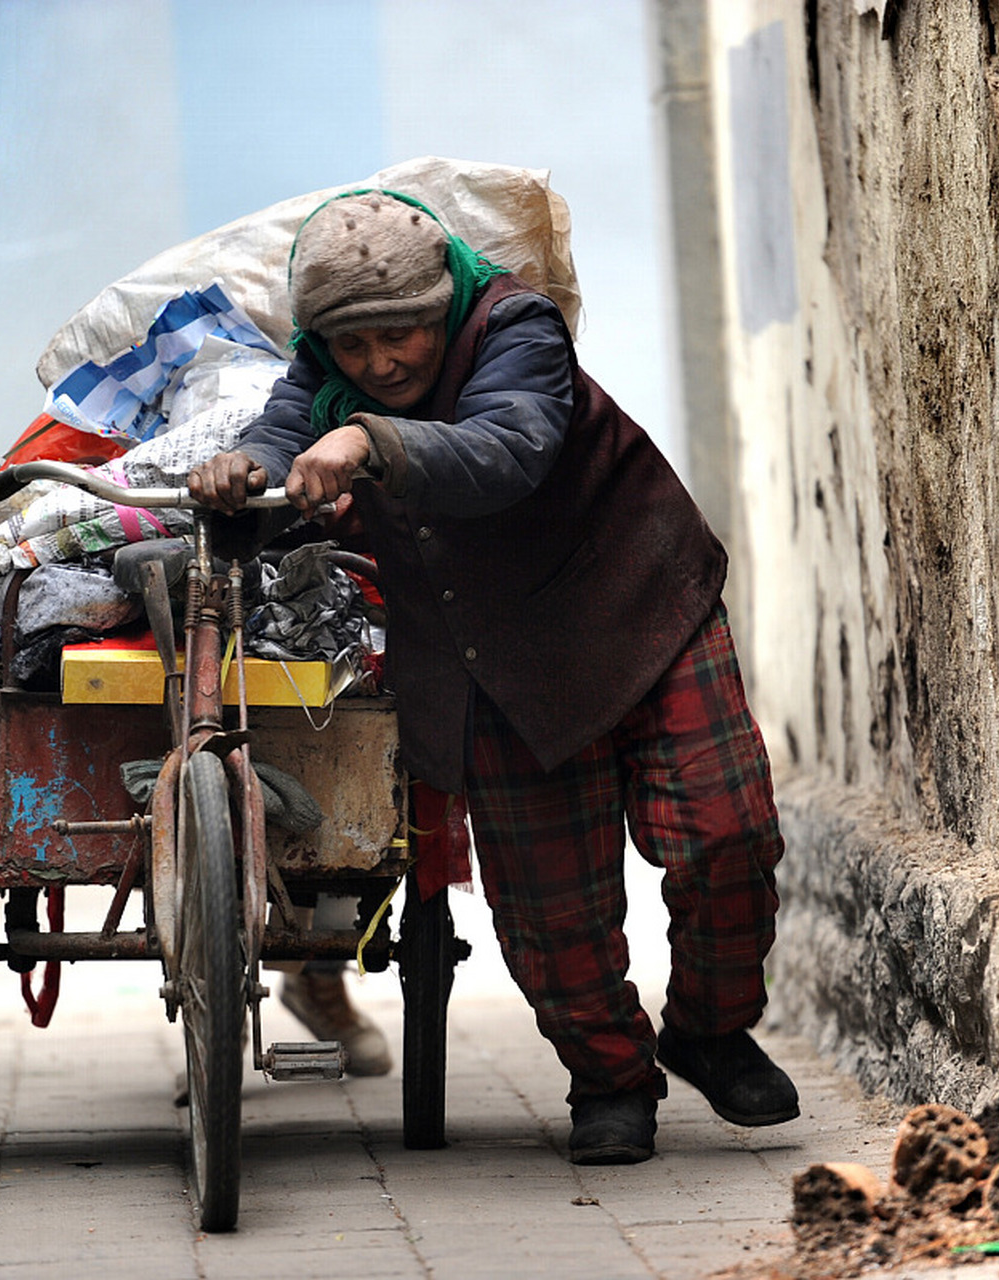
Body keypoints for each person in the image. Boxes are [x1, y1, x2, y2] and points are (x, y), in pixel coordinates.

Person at [189, 189, 795, 1164]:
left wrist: (366, 440)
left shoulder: (513, 325)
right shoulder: (318, 377)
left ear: (444, 305)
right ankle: (608, 1080)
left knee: (724, 834)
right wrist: (239, 472)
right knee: (550, 909)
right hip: (492, 661)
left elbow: (506, 449)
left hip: (636, 607)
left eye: (402, 335)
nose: (381, 364)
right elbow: (278, 438)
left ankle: (711, 1029)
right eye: (354, 348)